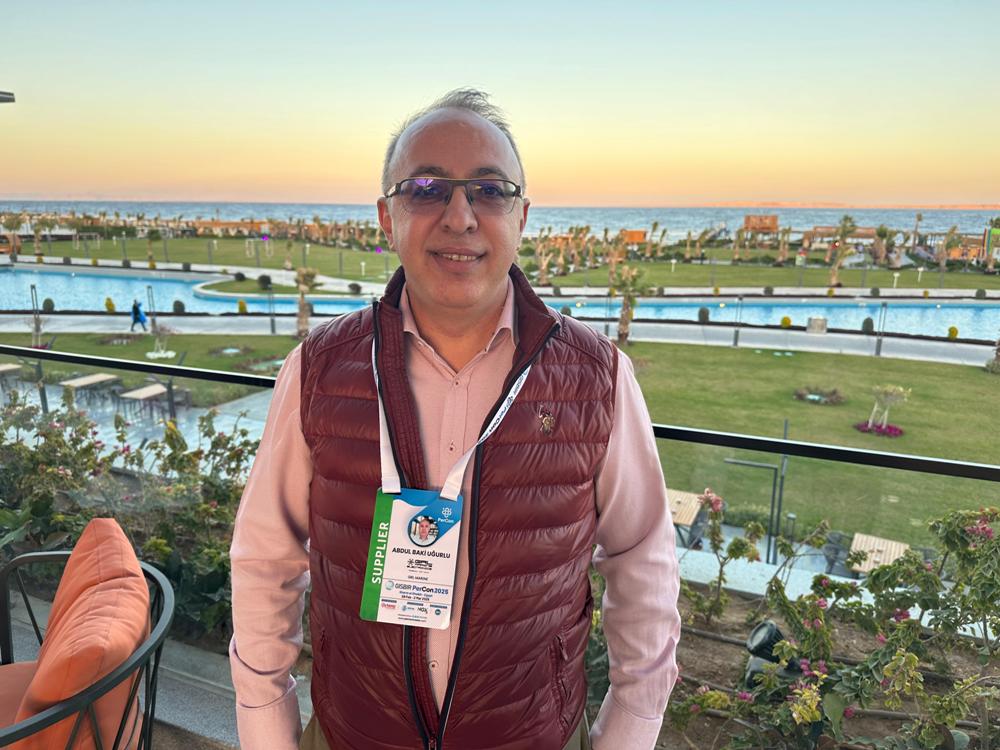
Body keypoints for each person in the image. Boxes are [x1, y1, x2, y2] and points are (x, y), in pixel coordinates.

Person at [230, 89, 680, 750]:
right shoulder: (319, 369)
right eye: (426, 188)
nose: (461, 216)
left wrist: (629, 732)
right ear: (386, 219)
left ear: (522, 217)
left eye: (490, 191)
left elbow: (643, 561)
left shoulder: (597, 377)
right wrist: (267, 731)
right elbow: (265, 559)